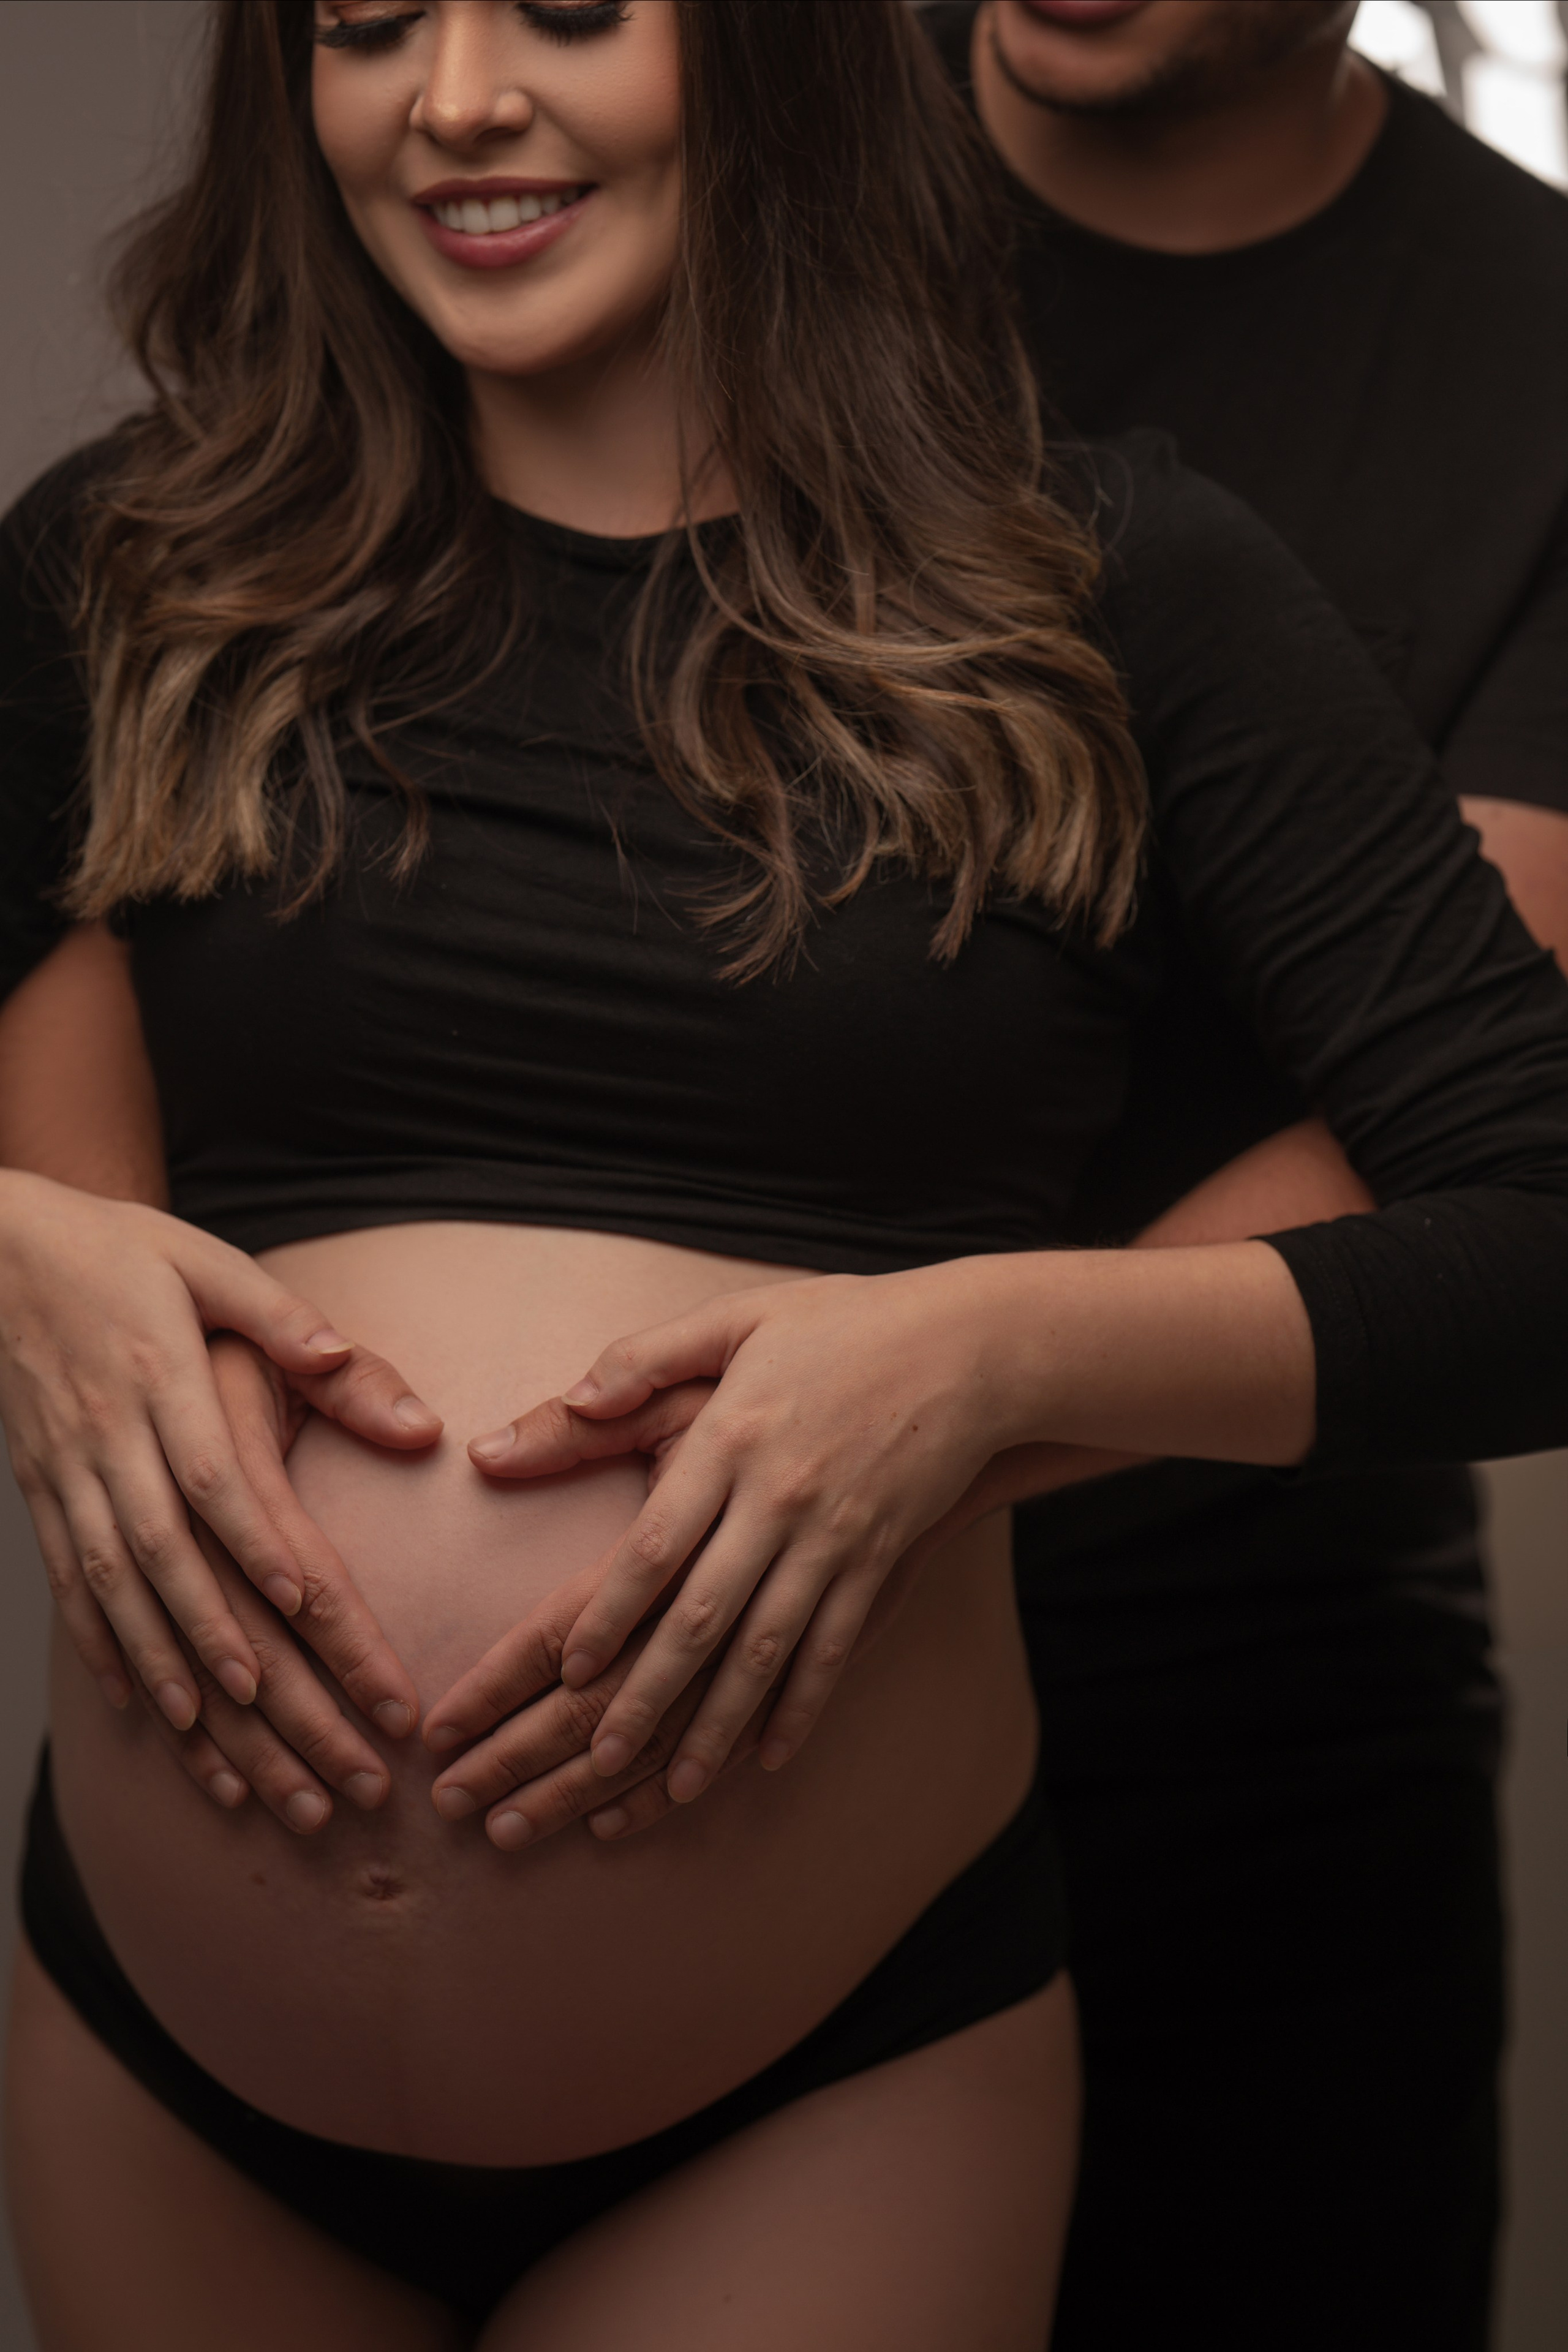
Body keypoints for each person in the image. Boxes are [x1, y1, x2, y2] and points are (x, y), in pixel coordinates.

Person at [2, 4, 1567, 2346]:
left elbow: (1540, 1221)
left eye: (562, 10)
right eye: (359, 27)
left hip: (823, 2080)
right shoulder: (131, 564)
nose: (449, 104)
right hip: (162, 2067)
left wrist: (979, 1351)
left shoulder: (1116, 586)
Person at [906, 5, 1568, 2346]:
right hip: (709, 1685)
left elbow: (1458, 1106)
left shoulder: (1533, 345)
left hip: (1250, 1669)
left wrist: (884, 1428)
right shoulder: (746, 170)